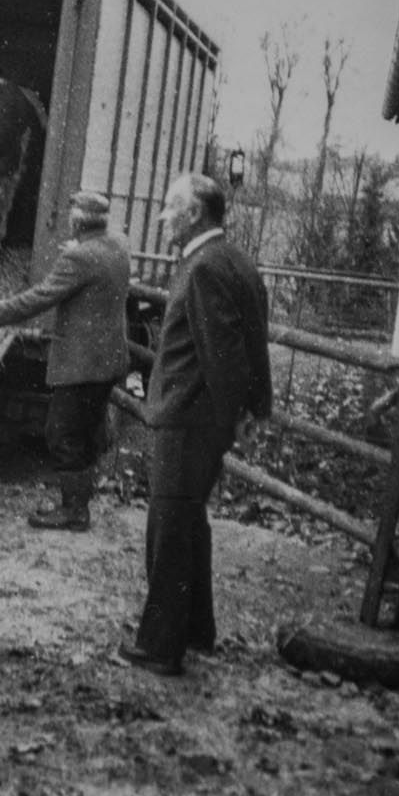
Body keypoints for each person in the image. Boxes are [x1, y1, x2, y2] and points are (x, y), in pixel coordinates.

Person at [119, 173, 272, 678]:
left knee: (169, 526)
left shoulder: (203, 267)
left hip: (190, 420)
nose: (163, 216)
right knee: (189, 523)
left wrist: (237, 418)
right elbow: (253, 349)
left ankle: (161, 646)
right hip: (203, 420)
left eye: (170, 208)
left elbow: (224, 357)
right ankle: (196, 628)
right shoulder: (234, 260)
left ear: (194, 215)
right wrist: (252, 412)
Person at [0, 190, 129, 531]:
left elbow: (41, 297)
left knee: (60, 432)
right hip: (109, 360)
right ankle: (78, 505)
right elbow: (93, 263)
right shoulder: (117, 246)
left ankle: (73, 511)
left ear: (76, 221)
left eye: (72, 212)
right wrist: (78, 251)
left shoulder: (79, 259)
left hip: (82, 363)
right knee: (85, 431)